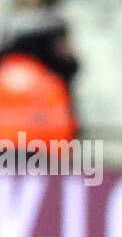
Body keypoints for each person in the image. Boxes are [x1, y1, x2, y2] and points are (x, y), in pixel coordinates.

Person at [0, 9, 78, 147]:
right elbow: (62, 131)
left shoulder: (6, 72)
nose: (68, 49)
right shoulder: (48, 83)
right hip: (38, 160)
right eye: (61, 41)